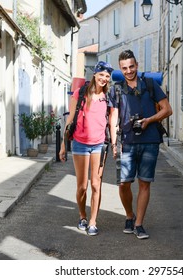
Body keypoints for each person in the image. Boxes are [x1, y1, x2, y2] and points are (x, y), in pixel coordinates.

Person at [108, 50, 172, 239]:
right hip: (126, 142)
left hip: (150, 141)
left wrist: (149, 120)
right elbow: (113, 118)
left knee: (145, 183)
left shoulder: (151, 85)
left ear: (137, 64)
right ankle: (129, 215)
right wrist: (114, 143)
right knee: (123, 184)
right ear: (120, 69)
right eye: (124, 68)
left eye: (131, 66)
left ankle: (138, 223)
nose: (128, 71)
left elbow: (168, 110)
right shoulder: (116, 89)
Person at [59, 61, 113, 236]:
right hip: (80, 143)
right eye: (101, 75)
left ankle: (93, 221)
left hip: (99, 144)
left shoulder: (108, 98)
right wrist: (62, 145)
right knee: (82, 186)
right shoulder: (80, 93)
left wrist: (114, 144)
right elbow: (70, 120)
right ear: (95, 75)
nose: (104, 79)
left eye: (107, 76)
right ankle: (82, 216)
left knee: (96, 185)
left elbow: (112, 122)